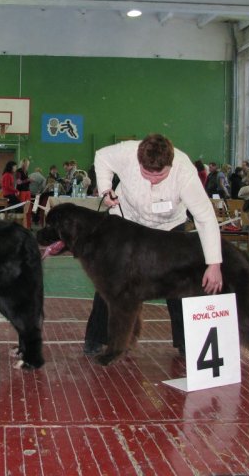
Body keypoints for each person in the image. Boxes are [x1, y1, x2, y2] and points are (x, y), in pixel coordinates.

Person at [84, 134, 223, 355]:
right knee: (110, 280)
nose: (152, 180)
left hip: (169, 227)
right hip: (127, 218)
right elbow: (101, 157)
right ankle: (96, 337)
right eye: (146, 173)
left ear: (171, 164)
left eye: (160, 175)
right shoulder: (127, 151)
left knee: (178, 282)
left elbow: (205, 218)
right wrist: (105, 188)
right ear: (138, 160)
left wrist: (214, 264)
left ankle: (187, 342)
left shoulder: (185, 172)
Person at [15, 158, 32, 227]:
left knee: (28, 209)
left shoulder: (26, 171)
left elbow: (24, 181)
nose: (27, 165)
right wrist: (27, 180)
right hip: (22, 192)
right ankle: (22, 225)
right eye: (26, 163)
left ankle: (28, 225)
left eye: (28, 164)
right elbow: (18, 182)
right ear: (23, 164)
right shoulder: (18, 171)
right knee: (23, 209)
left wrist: (29, 181)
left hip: (27, 191)